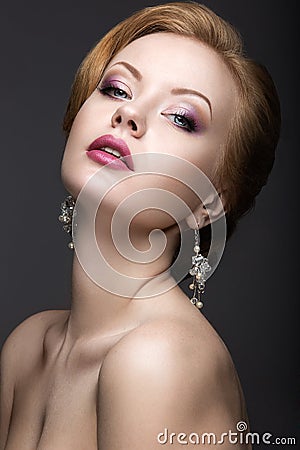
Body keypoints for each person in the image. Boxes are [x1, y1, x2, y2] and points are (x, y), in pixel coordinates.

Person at [0, 2, 280, 449]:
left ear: (210, 201)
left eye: (182, 118)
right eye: (116, 88)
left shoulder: (160, 361)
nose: (129, 116)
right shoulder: (26, 349)